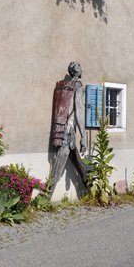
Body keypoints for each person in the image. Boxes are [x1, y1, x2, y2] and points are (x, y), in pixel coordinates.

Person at [49, 61, 88, 192]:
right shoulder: (78, 87)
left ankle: (91, 188)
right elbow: (79, 113)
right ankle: (43, 195)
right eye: (79, 66)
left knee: (79, 165)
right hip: (69, 133)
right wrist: (83, 137)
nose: (81, 68)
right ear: (76, 71)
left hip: (64, 131)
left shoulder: (66, 86)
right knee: (57, 171)